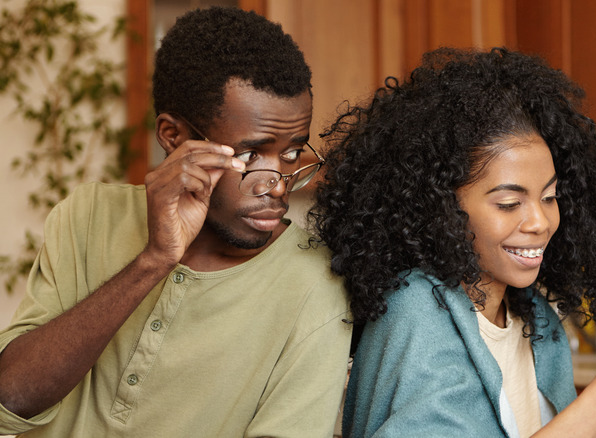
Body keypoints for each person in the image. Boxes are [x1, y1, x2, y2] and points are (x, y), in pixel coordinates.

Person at [310, 47, 596, 437]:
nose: (540, 221)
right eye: (508, 203)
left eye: (550, 197)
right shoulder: (417, 308)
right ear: (439, 206)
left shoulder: (538, 322)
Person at [0, 7, 351, 437]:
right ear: (173, 137)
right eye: (248, 156)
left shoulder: (315, 282)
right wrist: (154, 260)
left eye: (292, 153)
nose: (278, 187)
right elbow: (10, 399)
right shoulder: (89, 215)